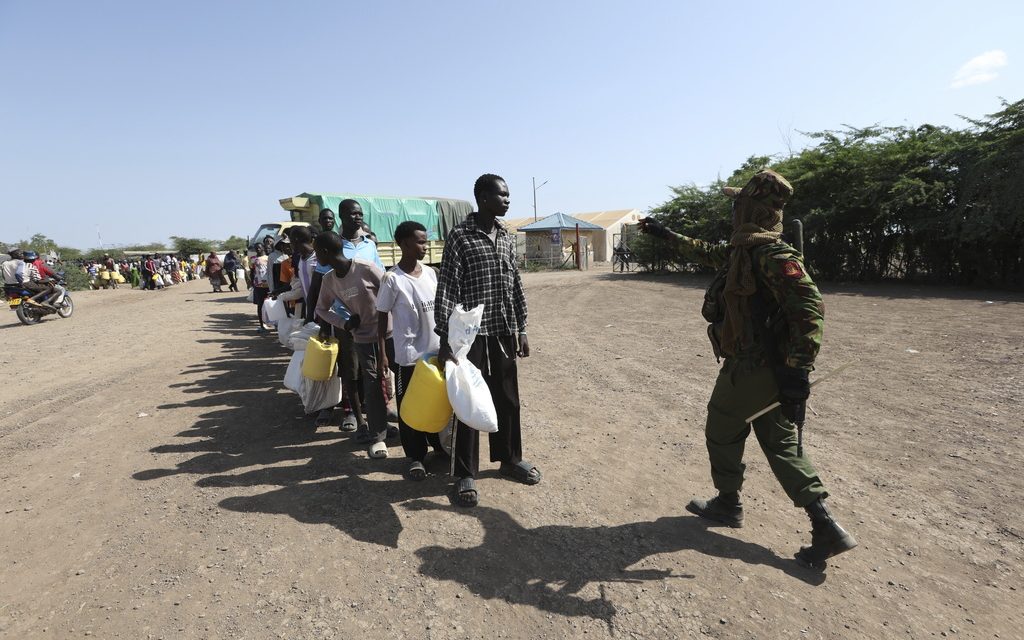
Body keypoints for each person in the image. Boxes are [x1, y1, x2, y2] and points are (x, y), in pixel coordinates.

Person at [639, 169, 856, 571]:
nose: (733, 211)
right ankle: (824, 524)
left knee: (722, 427)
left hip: (756, 366)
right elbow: (705, 250)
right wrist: (664, 233)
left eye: (738, 205)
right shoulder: (745, 250)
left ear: (750, 210)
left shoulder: (773, 255)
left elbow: (810, 311)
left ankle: (728, 503)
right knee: (779, 442)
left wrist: (797, 372)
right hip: (759, 366)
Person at [435, 174, 539, 508]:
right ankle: (465, 472)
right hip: (470, 335)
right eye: (502, 195)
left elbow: (516, 284)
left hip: (504, 329)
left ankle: (509, 459)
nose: (508, 200)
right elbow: (448, 285)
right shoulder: (460, 237)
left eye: (509, 195)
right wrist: (444, 336)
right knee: (468, 402)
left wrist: (522, 328)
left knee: (507, 398)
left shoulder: (507, 237)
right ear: (482, 197)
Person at [375, 221, 447, 479]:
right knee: (410, 408)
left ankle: (439, 447)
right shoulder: (392, 279)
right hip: (408, 358)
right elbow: (381, 317)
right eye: (419, 242)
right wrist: (383, 353)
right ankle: (415, 457)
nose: (425, 246)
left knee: (436, 403)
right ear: (404, 244)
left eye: (425, 241)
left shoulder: (431, 273)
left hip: (435, 354)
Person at [314, 231, 393, 459]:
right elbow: (321, 309)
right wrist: (345, 323)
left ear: (326, 252)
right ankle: (378, 436)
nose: (316, 256)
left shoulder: (365, 268)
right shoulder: (329, 280)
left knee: (398, 381)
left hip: (390, 335)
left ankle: (408, 429)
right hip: (363, 338)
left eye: (317, 251)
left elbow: (392, 290)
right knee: (371, 384)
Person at [251, 245, 271, 331]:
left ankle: (273, 322)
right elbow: (252, 272)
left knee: (271, 304)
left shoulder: (268, 258)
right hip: (258, 285)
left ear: (263, 248)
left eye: (259, 247)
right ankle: (262, 324)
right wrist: (252, 282)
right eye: (256, 248)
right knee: (260, 305)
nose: (258, 249)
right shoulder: (253, 259)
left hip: (269, 285)